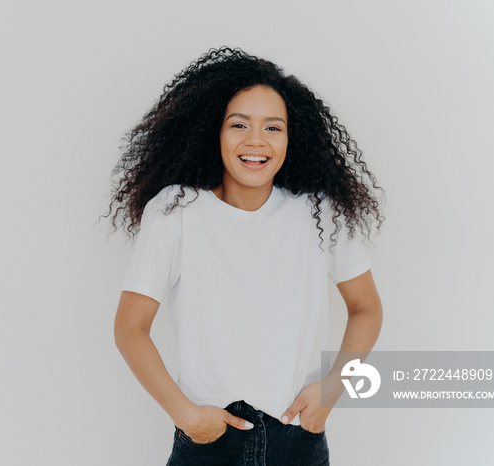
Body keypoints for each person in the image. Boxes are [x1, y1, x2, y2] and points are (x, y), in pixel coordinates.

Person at [106, 47, 384, 466]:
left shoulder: (320, 213)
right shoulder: (175, 211)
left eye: (273, 127)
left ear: (293, 137)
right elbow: (130, 326)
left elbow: (366, 308)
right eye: (239, 124)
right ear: (212, 132)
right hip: (209, 442)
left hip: (299, 441)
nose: (256, 141)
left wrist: (331, 390)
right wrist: (185, 416)